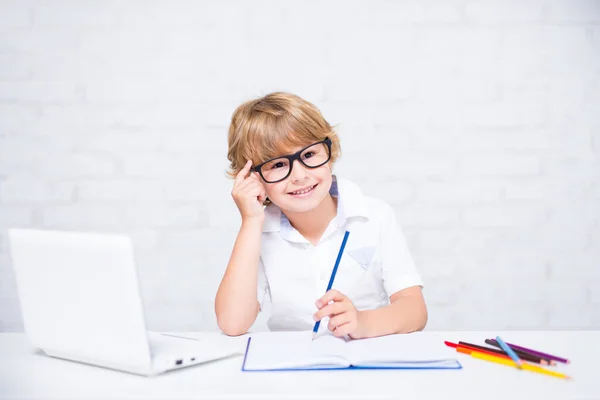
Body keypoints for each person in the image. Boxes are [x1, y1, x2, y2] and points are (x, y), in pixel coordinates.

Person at [215, 92, 427, 339]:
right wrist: (250, 221)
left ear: (329, 150)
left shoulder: (375, 216)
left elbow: (415, 310)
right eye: (277, 165)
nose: (299, 175)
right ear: (253, 177)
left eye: (308, 155)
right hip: (292, 366)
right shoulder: (258, 233)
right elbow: (232, 324)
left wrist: (363, 322)